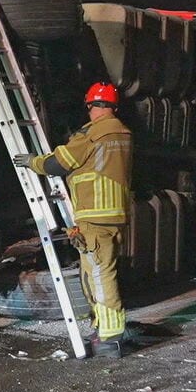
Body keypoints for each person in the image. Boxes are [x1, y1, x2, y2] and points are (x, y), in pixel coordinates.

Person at [16, 82, 134, 357]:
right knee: (96, 271)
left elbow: (59, 162)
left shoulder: (92, 134)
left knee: (100, 275)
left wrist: (33, 161)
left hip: (94, 213)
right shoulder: (124, 132)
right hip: (115, 213)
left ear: (92, 106)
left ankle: (109, 336)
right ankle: (103, 328)